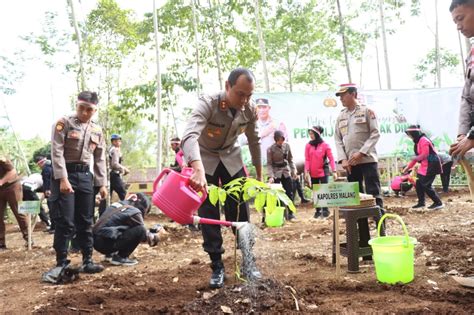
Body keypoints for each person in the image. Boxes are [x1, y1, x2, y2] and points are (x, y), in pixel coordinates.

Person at [181, 68, 262, 288]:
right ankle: (216, 265)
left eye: (249, 95)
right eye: (240, 94)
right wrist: (196, 168)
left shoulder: (250, 109)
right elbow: (188, 137)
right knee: (209, 211)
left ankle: (248, 261)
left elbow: (255, 142)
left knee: (241, 209)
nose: (244, 100)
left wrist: (259, 176)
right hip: (204, 160)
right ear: (227, 86)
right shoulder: (208, 103)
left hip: (231, 158)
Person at [44, 91, 107, 281]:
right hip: (64, 175)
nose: (85, 113)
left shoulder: (97, 130)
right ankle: (61, 262)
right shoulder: (63, 123)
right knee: (65, 221)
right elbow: (56, 152)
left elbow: (100, 158)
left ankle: (87, 260)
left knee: (86, 220)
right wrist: (62, 178)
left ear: (95, 110)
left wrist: (102, 183)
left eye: (90, 110)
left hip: (85, 176)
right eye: (82, 108)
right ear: (76, 105)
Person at [334, 83, 384, 209]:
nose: (341, 98)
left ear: (353, 94)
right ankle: (362, 227)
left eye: (343, 95)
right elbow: (338, 139)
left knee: (374, 194)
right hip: (351, 163)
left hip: (367, 160)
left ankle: (380, 226)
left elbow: (375, 133)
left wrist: (361, 153)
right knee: (355, 197)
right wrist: (343, 159)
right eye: (339, 96)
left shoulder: (367, 111)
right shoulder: (341, 116)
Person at [93, 193, 167, 266]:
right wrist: (156, 236)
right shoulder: (135, 211)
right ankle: (121, 257)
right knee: (140, 230)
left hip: (96, 241)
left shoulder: (118, 204)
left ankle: (109, 255)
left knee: (122, 227)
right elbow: (143, 234)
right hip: (105, 244)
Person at [449, 0, 474, 158]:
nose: (458, 26)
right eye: (455, 21)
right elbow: (466, 97)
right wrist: (462, 134)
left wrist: (472, 137)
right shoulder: (472, 54)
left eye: (461, 18)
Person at [403, 125, 444, 210]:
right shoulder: (417, 142)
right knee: (418, 183)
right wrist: (408, 167)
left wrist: (415, 158)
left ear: (414, 133)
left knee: (426, 184)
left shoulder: (423, 140)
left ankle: (438, 203)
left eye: (410, 134)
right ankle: (421, 203)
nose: (409, 136)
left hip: (432, 164)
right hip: (425, 165)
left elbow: (425, 154)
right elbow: (417, 157)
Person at [304, 126, 337, 219]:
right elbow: (307, 159)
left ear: (317, 134)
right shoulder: (308, 145)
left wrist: (334, 171)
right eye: (309, 133)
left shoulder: (325, 145)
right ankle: (318, 211)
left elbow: (331, 158)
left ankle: (325, 209)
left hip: (323, 171)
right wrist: (306, 171)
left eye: (312, 133)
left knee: (323, 190)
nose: (310, 135)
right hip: (313, 172)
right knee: (316, 191)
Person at [267, 130, 297, 221]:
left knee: (289, 193)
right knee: (277, 195)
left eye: (282, 139)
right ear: (276, 139)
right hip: (276, 173)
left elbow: (290, 160)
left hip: (286, 172)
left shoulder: (287, 146)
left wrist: (294, 170)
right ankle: (280, 214)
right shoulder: (270, 149)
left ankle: (291, 214)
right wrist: (271, 176)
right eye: (279, 140)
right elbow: (269, 164)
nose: (281, 141)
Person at [0, 157, 29, 250]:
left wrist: (1, 181)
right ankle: (1, 243)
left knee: (19, 211)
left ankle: (28, 238)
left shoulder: (2, 159)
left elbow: (12, 172)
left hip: (12, 186)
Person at [255, 98, 287, 164]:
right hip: (256, 164)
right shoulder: (251, 124)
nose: (261, 110)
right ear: (255, 109)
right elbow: (243, 142)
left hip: (274, 163)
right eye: (259, 107)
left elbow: (285, 144)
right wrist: (261, 134)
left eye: (264, 107)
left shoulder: (278, 124)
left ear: (269, 108)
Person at [35, 156, 55, 232]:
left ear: (41, 162)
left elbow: (47, 181)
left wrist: (47, 190)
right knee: (53, 209)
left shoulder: (46, 169)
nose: (39, 167)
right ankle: (53, 226)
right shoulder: (51, 166)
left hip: (50, 191)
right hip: (53, 190)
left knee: (52, 209)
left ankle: (54, 227)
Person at [109, 134, 129, 201]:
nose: (118, 142)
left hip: (108, 176)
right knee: (123, 194)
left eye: (119, 141)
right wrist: (124, 169)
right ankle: (127, 209)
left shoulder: (110, 149)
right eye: (116, 141)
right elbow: (114, 164)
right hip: (113, 175)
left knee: (107, 196)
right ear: (112, 142)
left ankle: (102, 211)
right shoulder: (114, 150)